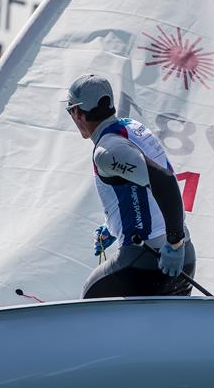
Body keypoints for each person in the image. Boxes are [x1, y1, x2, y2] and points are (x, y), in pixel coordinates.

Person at [64, 74, 196, 298]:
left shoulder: (107, 151)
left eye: (70, 112)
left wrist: (174, 243)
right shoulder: (133, 127)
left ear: (77, 112)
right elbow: (140, 189)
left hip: (147, 264)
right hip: (184, 259)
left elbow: (164, 180)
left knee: (90, 297)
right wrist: (113, 227)